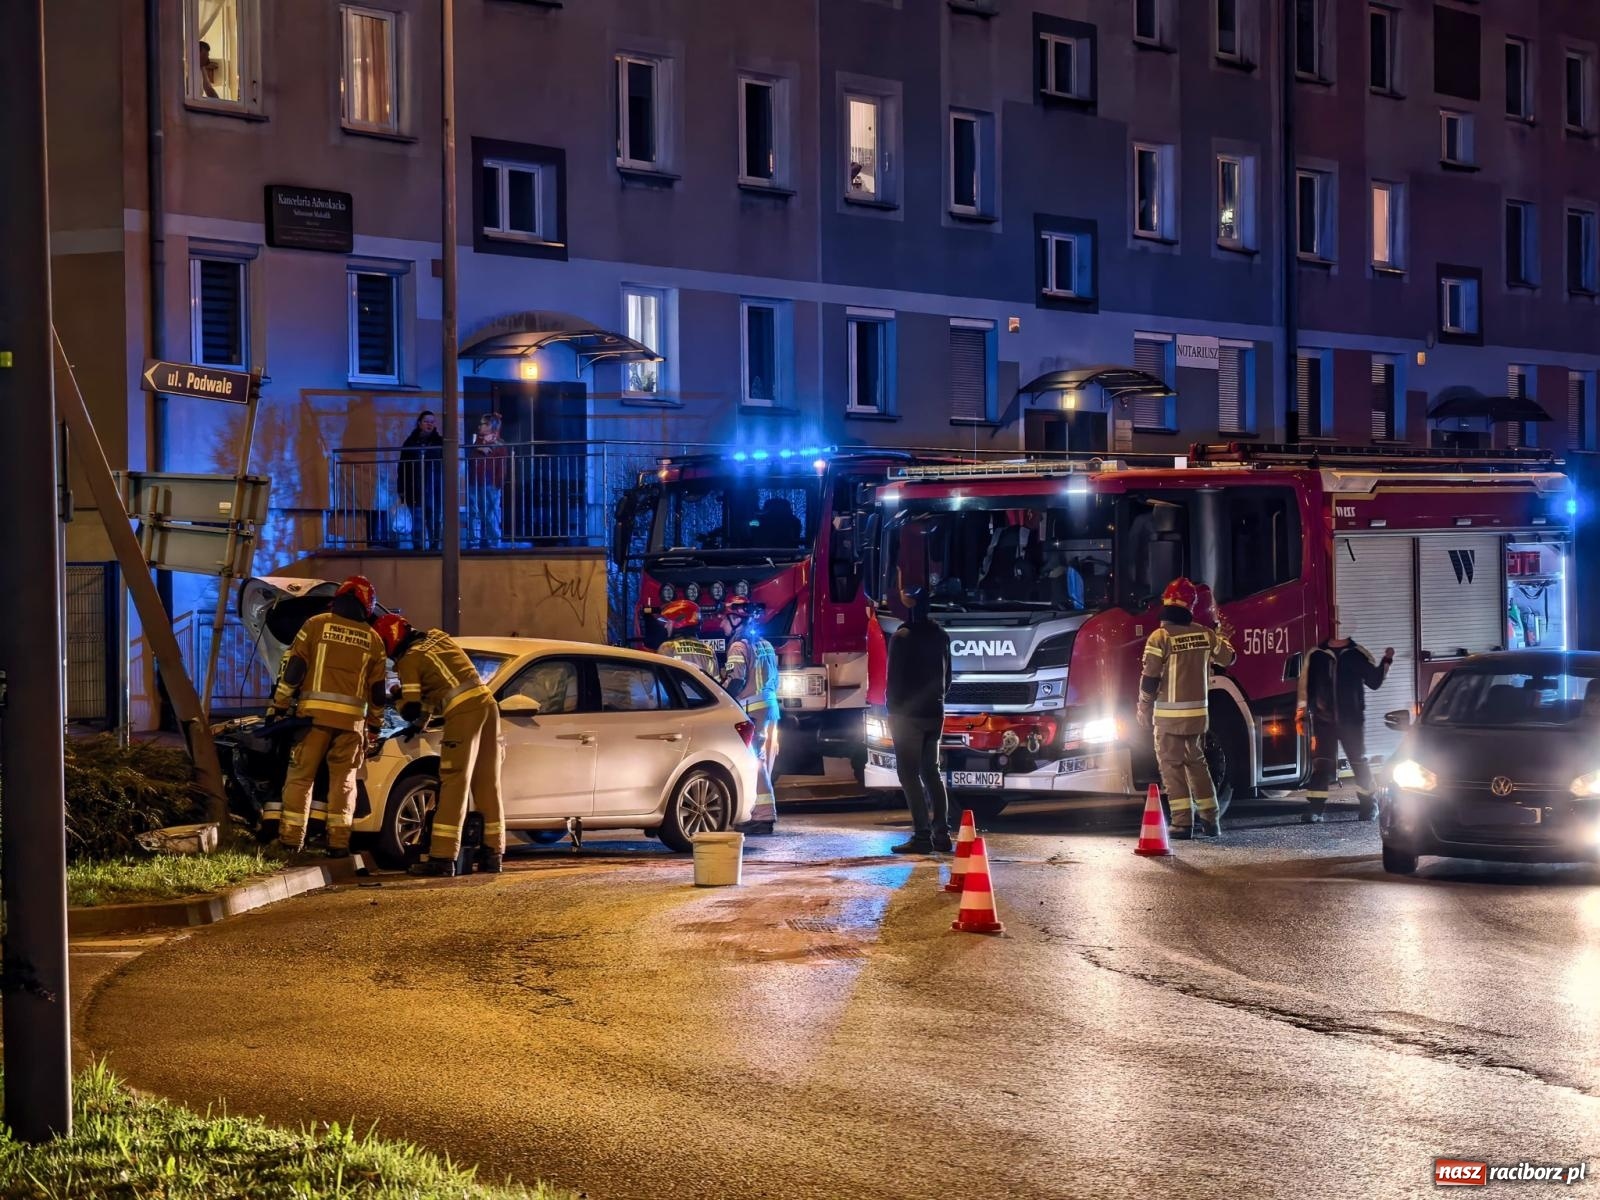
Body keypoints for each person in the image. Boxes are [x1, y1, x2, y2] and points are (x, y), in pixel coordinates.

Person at [374, 615, 506, 876]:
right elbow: (438, 687)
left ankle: (443, 858)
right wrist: (422, 721)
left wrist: (396, 695)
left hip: (463, 712)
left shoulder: (409, 659)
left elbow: (411, 707)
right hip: (488, 706)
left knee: (454, 781)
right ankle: (493, 854)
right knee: (487, 783)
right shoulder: (439, 638)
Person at [270, 576, 387, 858]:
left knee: (301, 778)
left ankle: (291, 840)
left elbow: (294, 669)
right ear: (367, 606)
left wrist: (280, 705)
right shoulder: (374, 640)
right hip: (351, 725)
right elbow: (377, 692)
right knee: (344, 782)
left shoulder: (316, 625)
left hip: (313, 720)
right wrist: (375, 725)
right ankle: (338, 843)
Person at [1137, 577, 1236, 839]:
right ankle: (1211, 820)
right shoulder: (1205, 634)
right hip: (1197, 718)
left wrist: (1143, 707)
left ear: (1166, 602)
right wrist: (1223, 636)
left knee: (1172, 767)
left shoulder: (1160, 637)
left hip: (1168, 718)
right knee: (1197, 764)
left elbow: (1150, 679)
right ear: (1190, 606)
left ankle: (1182, 823)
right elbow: (1229, 658)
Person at [1299, 616, 1394, 823]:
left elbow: (1374, 681)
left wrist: (1386, 661)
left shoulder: (1357, 654)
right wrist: (1302, 715)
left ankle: (1369, 806)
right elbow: (1306, 688)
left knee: (1358, 763)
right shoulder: (1316, 655)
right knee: (1322, 765)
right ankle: (1315, 810)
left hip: (1352, 721)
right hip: (1324, 722)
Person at [886, 587, 953, 854]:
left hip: (907, 716)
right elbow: (948, 678)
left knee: (908, 774)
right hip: (935, 712)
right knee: (931, 771)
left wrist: (893, 711)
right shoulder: (941, 635)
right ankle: (942, 834)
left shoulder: (901, 637)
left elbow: (893, 682)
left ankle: (922, 836)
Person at [721, 597, 779, 833]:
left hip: (751, 710)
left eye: (724, 619)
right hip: (769, 708)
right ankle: (759, 811)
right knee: (763, 760)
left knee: (755, 761)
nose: (721, 624)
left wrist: (720, 696)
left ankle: (764, 816)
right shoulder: (765, 645)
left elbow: (736, 680)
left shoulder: (738, 647)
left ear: (736, 620)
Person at [397, 410, 443, 550]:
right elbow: (402, 467)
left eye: (432, 422)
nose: (429, 424)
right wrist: (401, 489)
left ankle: (434, 546)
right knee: (417, 519)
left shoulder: (439, 441)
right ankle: (418, 547)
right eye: (426, 421)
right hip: (414, 488)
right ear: (419, 423)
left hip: (434, 487)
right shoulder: (410, 442)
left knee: (434, 519)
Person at [467, 412, 510, 548]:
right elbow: (471, 459)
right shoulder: (477, 442)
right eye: (481, 424)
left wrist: (498, 483)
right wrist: (478, 447)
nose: (480, 426)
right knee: (474, 511)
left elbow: (502, 466)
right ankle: (474, 540)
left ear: (492, 427)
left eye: (485, 424)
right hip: (475, 482)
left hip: (491, 483)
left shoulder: (499, 444)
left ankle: (494, 541)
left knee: (491, 513)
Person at [658, 598, 718, 676]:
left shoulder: (667, 648)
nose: (665, 626)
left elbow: (662, 679)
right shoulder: (709, 650)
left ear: (678, 622)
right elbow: (715, 681)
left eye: (668, 622)